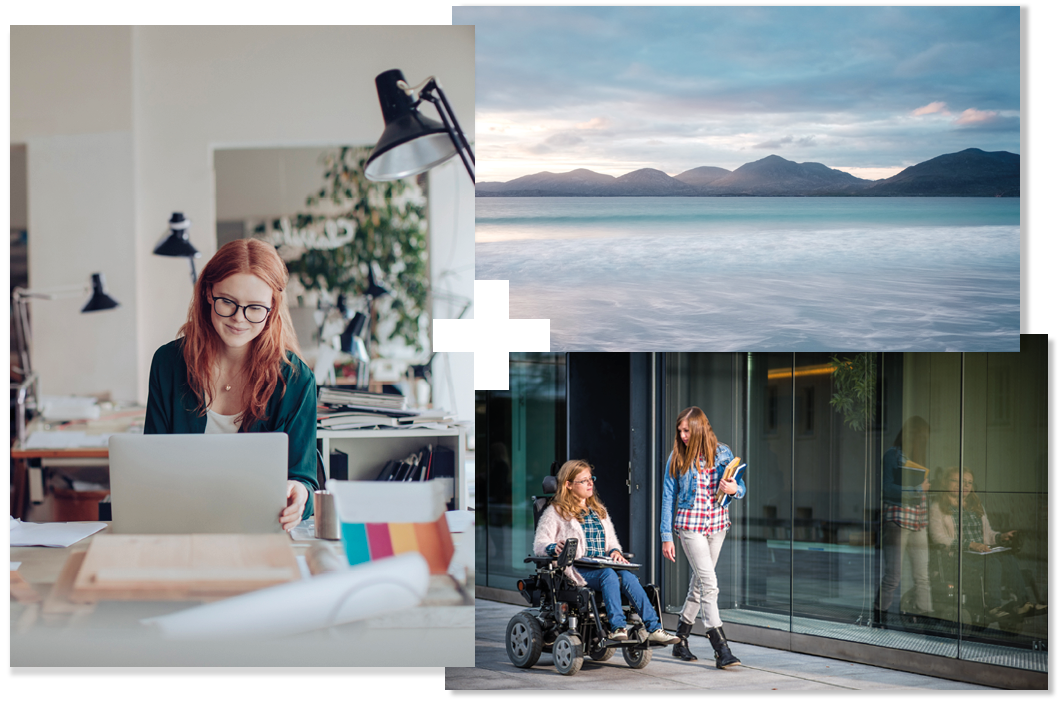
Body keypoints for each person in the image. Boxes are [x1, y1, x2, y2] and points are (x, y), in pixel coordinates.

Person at [144, 238, 318, 531]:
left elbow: (304, 481)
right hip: (179, 526)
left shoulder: (295, 378)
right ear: (208, 294)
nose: (239, 318)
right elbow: (149, 467)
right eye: (228, 302)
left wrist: (300, 494)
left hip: (259, 530)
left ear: (272, 309)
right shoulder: (168, 363)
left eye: (254, 308)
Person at [533, 459, 678, 645]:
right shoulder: (556, 512)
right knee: (608, 575)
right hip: (575, 569)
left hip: (601, 564)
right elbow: (540, 543)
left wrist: (616, 551)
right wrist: (553, 547)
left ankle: (655, 628)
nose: (590, 483)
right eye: (583, 480)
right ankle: (617, 627)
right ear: (568, 485)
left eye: (590, 478)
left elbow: (611, 542)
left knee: (628, 577)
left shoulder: (598, 510)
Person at [660, 407, 745, 669]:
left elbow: (739, 487)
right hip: (690, 526)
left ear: (699, 428)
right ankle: (721, 648)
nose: (683, 435)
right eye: (680, 431)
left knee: (699, 585)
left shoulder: (723, 452)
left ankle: (680, 640)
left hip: (717, 525)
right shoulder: (678, 456)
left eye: (687, 430)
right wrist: (666, 536)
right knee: (709, 583)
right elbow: (667, 497)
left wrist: (734, 489)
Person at [928, 467, 1046, 623]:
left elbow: (988, 534)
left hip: (980, 553)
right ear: (945, 483)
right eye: (957, 481)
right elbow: (938, 538)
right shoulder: (937, 507)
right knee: (992, 563)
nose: (964, 486)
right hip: (956, 557)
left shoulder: (975, 506)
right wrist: (970, 545)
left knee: (1008, 559)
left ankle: (1022, 604)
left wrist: (1000, 537)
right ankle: (993, 607)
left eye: (968, 483)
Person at [873, 416, 932, 628]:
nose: (924, 441)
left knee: (922, 576)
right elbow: (887, 489)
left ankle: (927, 621)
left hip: (918, 521)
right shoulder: (892, 455)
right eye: (922, 437)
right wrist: (917, 489)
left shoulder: (921, 458)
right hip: (898, 519)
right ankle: (880, 619)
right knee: (894, 575)